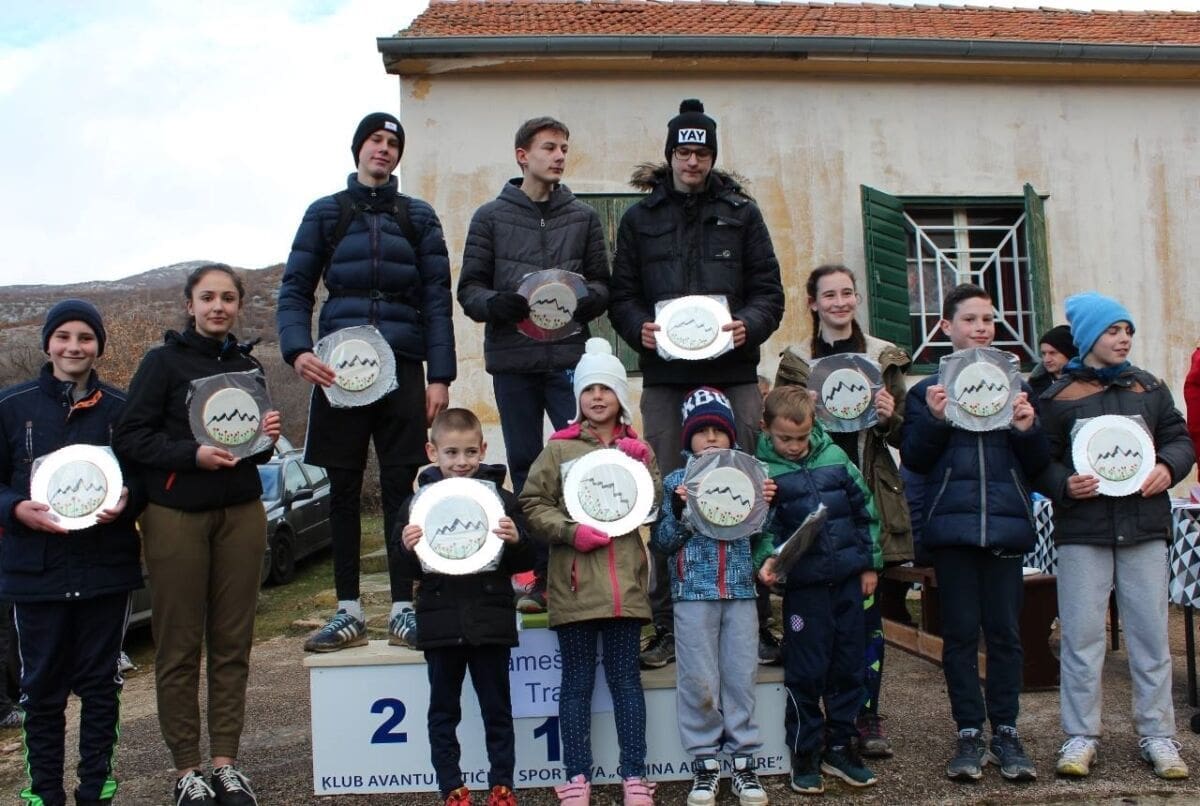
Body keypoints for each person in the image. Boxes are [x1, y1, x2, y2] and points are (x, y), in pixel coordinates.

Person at [609, 98, 785, 668]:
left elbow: (769, 292)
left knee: (747, 486)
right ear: (670, 156)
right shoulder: (639, 219)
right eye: (684, 152)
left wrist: (749, 325)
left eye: (702, 153)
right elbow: (621, 296)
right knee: (669, 495)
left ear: (712, 157)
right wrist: (638, 328)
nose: (692, 162)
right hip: (666, 377)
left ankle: (757, 620)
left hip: (733, 372)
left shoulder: (743, 214)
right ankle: (666, 625)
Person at [277, 111, 456, 652]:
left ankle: (403, 608)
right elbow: (295, 288)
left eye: (392, 143)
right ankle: (348, 610)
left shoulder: (418, 216)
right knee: (343, 489)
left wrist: (440, 376)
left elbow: (436, 300)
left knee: (403, 486)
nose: (383, 149)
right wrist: (297, 350)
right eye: (374, 140)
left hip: (403, 365)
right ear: (358, 149)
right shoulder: (326, 213)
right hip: (340, 370)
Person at [115, 265, 281, 806]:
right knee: (179, 645)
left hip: (242, 513)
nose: (218, 306)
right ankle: (187, 770)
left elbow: (253, 450)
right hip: (176, 515)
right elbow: (130, 437)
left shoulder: (249, 366)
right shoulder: (161, 364)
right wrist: (191, 455)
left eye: (228, 298)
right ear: (189, 304)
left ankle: (226, 764)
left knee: (233, 642)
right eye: (207, 297)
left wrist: (266, 438)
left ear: (238, 306)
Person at [1035, 292, 1196, 781]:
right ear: (1088, 337)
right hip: (1083, 533)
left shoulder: (1149, 387)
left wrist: (1168, 467)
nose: (1124, 338)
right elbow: (1040, 460)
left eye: (1127, 330)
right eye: (1112, 330)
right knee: (1082, 638)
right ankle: (1080, 735)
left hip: (1144, 528)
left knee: (1151, 636)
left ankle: (1159, 734)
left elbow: (1180, 438)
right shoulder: (1057, 397)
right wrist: (1064, 484)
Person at [458, 115, 611, 613]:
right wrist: (496, 304)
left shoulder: (583, 218)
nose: (559, 155)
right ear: (522, 156)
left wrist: (587, 301)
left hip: (569, 360)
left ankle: (586, 575)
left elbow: (604, 284)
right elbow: (469, 290)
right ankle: (540, 578)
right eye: (549, 147)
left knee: (582, 462)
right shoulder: (489, 218)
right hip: (514, 363)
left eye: (564, 147)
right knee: (527, 468)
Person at [900, 283, 1047, 783]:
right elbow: (915, 459)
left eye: (988, 319)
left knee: (1005, 634)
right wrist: (936, 419)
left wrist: (1027, 427)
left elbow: (1036, 462)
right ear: (946, 327)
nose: (981, 328)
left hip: (1006, 525)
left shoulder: (1016, 386)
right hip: (953, 530)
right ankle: (968, 731)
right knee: (960, 635)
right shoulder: (926, 392)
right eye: (970, 319)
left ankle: (1006, 730)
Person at [0, 300, 142, 806]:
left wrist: (128, 500)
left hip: (105, 569)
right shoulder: (10, 406)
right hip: (34, 573)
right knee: (40, 691)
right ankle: (44, 793)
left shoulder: (122, 408)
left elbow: (143, 477)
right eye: (63, 336)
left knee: (101, 686)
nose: (74, 347)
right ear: (48, 344)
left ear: (98, 345)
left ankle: (95, 790)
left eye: (85, 337)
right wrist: (15, 508)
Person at [774, 264, 913, 758]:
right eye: (829, 295)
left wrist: (889, 417)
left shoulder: (883, 356)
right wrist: (802, 409)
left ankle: (865, 716)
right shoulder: (796, 361)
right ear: (813, 303)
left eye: (847, 293)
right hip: (811, 501)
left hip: (867, 498)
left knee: (866, 621)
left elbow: (908, 435)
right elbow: (778, 428)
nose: (840, 302)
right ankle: (817, 722)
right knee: (817, 624)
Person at [519, 338, 661, 806]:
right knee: (576, 684)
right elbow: (532, 503)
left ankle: (634, 775)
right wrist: (569, 532)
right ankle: (576, 776)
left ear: (620, 395)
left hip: (624, 591)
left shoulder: (638, 450)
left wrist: (645, 471)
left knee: (626, 683)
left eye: (606, 388)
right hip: (575, 587)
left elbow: (653, 507)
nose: (597, 397)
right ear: (577, 396)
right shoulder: (558, 450)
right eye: (588, 389)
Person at [398, 408, 534, 806]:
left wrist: (517, 540)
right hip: (440, 625)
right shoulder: (417, 505)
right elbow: (402, 568)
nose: (462, 462)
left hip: (491, 622)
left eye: (470, 452)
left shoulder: (501, 501)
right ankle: (452, 788)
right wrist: (406, 548)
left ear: (483, 450)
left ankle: (502, 785)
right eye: (452, 452)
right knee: (443, 712)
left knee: (497, 710)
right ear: (433, 452)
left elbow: (527, 560)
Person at [650, 387, 773, 806]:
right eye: (701, 431)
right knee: (698, 679)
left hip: (739, 592)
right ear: (688, 438)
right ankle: (704, 761)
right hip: (692, 594)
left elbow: (758, 533)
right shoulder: (675, 482)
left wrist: (767, 503)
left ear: (731, 435)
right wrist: (680, 511)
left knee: (740, 676)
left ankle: (743, 761)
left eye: (718, 430)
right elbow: (662, 542)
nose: (711, 438)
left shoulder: (750, 476)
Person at [755, 386, 880, 795]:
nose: (794, 446)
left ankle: (840, 747)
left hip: (847, 583)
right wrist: (766, 561)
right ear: (766, 428)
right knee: (807, 672)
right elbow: (762, 528)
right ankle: (805, 752)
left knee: (848, 666)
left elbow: (865, 511)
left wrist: (869, 563)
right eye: (784, 439)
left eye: (802, 437)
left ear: (814, 427)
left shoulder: (836, 459)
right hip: (804, 591)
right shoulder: (763, 473)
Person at [1028, 324, 1077, 398]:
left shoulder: (1087, 383)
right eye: (1043, 353)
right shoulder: (1034, 385)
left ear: (1068, 353)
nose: (1046, 360)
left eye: (1052, 353)